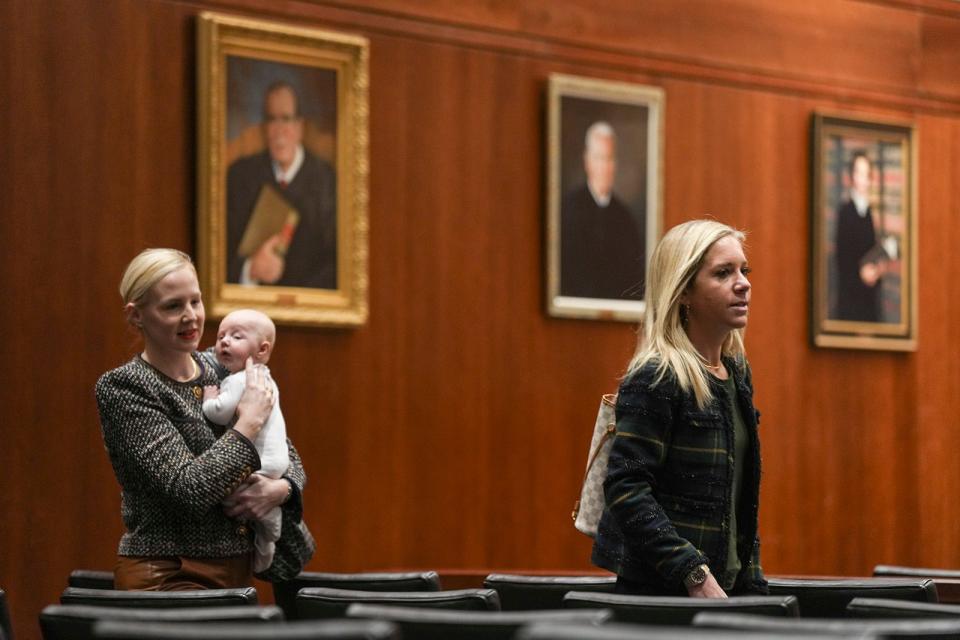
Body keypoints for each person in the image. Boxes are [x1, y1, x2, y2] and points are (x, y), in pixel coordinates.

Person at [96, 248, 307, 590]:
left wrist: (280, 489)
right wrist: (247, 423)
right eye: (172, 306)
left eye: (196, 301)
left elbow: (285, 453)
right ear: (136, 315)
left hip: (239, 570)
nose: (191, 316)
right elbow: (188, 489)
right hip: (168, 572)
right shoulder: (126, 386)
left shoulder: (222, 365)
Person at [591, 219, 767, 597]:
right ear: (683, 291)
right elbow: (626, 489)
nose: (743, 283)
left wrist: (754, 587)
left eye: (743, 270)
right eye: (723, 273)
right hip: (662, 597)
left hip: (727, 591)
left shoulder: (736, 374)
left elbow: (738, 502)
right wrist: (692, 573)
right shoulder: (657, 376)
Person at [227, 81, 337, 289]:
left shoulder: (327, 181)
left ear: (300, 127)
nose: (278, 131)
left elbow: (337, 264)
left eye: (286, 119)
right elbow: (218, 257)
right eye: (271, 120)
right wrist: (250, 269)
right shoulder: (240, 176)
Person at [202, 309, 289, 574]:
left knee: (231, 499)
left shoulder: (238, 378)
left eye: (236, 337)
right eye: (221, 336)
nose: (224, 342)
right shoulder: (266, 378)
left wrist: (209, 400)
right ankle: (268, 532)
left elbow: (220, 412)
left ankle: (269, 524)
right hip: (276, 461)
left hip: (258, 463)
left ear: (262, 350)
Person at [560, 121, 645, 300]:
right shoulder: (568, 209)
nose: (604, 167)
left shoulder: (625, 219)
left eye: (609, 159)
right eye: (598, 158)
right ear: (587, 161)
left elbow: (634, 280)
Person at [833, 150, 885, 322]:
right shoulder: (845, 212)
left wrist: (877, 269)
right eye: (859, 173)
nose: (863, 179)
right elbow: (842, 257)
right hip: (851, 295)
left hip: (868, 295)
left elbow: (869, 249)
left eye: (866, 174)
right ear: (852, 177)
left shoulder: (868, 212)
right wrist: (859, 274)